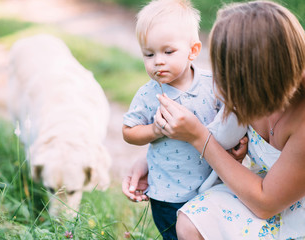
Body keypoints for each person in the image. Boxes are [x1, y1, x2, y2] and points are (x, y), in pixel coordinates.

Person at [149, 1, 305, 239]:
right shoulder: (248, 92)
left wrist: (198, 137)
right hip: (269, 194)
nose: (219, 78)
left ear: (254, 72)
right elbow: (200, 122)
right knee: (194, 220)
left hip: (285, 209)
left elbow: (265, 203)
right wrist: (151, 156)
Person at [122, 0, 247, 238]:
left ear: (193, 50)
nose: (158, 61)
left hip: (213, 186)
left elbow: (231, 119)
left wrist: (240, 145)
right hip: (167, 194)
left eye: (168, 52)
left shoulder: (213, 85)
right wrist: (155, 131)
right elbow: (129, 131)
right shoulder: (149, 94)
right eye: (149, 54)